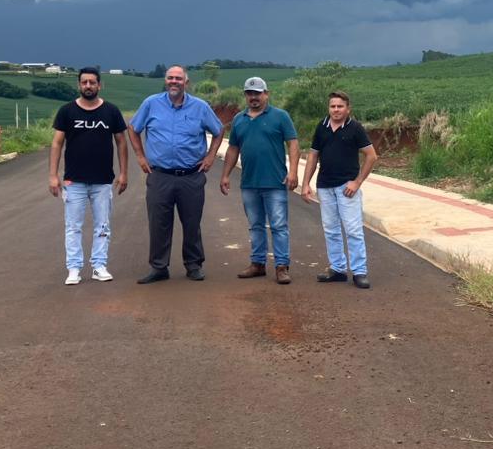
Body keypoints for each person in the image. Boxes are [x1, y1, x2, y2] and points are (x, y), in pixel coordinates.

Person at [127, 65, 225, 283]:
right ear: (165, 81)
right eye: (170, 78)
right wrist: (140, 156)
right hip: (160, 175)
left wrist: (210, 157)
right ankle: (159, 267)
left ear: (186, 83)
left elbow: (219, 131)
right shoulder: (151, 104)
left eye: (178, 78)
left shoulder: (200, 107)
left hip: (191, 176)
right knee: (158, 223)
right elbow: (133, 128)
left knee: (192, 222)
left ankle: (193, 265)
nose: (174, 82)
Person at [48, 67, 129, 285]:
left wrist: (123, 173)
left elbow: (121, 143)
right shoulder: (67, 111)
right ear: (79, 85)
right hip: (74, 181)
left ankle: (99, 266)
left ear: (99, 85)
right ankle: (74, 268)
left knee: (102, 226)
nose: (88, 86)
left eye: (92, 82)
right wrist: (53, 175)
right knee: (73, 226)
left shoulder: (111, 112)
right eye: (84, 82)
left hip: (102, 180)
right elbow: (57, 143)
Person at [219, 77, 300, 284]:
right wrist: (225, 174)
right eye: (250, 93)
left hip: (275, 182)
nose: (253, 97)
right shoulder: (239, 119)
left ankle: (282, 266)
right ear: (245, 95)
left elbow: (292, 144)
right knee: (255, 225)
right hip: (249, 183)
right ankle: (257, 264)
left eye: (257, 93)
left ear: (266, 94)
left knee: (279, 226)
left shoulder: (280, 116)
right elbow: (233, 148)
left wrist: (293, 172)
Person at [300, 91, 378, 289]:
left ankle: (359, 272)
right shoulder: (322, 126)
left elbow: (371, 156)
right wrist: (306, 183)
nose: (336, 110)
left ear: (348, 109)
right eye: (332, 106)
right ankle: (337, 269)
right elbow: (313, 155)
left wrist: (357, 182)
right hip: (325, 186)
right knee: (331, 229)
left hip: (346, 188)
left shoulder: (355, 128)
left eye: (340, 106)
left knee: (353, 230)